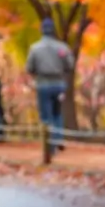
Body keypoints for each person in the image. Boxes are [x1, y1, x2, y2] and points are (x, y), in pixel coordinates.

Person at [25, 18, 75, 150]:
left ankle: (49, 143)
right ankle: (58, 139)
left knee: (46, 114)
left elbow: (29, 67)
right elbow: (70, 64)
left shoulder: (35, 48)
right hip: (59, 83)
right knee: (57, 112)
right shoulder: (62, 47)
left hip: (43, 84)